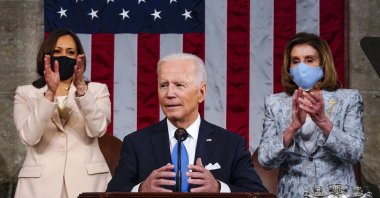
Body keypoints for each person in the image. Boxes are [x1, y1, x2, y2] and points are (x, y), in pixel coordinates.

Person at [106, 53, 267, 193]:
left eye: (179, 85)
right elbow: (112, 194)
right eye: (163, 85)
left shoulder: (230, 144)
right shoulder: (136, 143)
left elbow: (258, 195)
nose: (169, 93)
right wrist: (140, 190)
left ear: (201, 92)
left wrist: (219, 188)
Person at [258, 32, 365, 197]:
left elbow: (355, 153)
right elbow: (265, 160)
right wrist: (292, 128)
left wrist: (323, 122)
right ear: (289, 67)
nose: (302, 67)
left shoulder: (348, 99)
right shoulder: (274, 103)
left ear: (323, 64)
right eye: (295, 61)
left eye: (309, 60)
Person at [13, 28, 112, 198]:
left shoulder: (97, 90)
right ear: (45, 56)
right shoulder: (25, 93)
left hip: (88, 184)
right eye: (57, 51)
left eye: (70, 52)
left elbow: (98, 130)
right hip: (38, 187)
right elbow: (29, 137)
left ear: (79, 58)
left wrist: (81, 89)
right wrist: (49, 94)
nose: (63, 56)